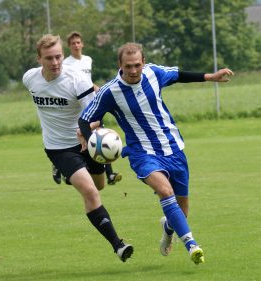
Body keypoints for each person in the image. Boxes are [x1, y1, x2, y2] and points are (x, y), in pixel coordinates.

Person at [78, 42, 234, 264]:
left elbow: (179, 75)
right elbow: (85, 118)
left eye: (137, 65)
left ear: (143, 62)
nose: (133, 71)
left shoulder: (153, 72)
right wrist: (89, 139)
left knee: (182, 209)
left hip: (173, 148)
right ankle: (192, 245)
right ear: (119, 65)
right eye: (128, 66)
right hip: (142, 153)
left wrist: (211, 77)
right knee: (164, 190)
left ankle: (168, 227)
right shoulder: (110, 91)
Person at [22, 34, 133, 262]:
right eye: (49, 58)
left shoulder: (76, 81)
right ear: (38, 59)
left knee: (99, 186)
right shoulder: (30, 79)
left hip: (85, 143)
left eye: (58, 57)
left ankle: (68, 174)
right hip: (58, 148)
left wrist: (86, 130)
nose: (55, 63)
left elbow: (95, 114)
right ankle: (119, 245)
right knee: (90, 192)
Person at [52, 31, 122, 186]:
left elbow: (87, 81)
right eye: (73, 43)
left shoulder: (88, 60)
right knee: (87, 136)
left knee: (100, 133)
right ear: (69, 47)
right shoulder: (67, 63)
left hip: (88, 100)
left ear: (82, 44)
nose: (76, 45)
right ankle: (61, 166)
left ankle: (109, 174)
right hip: (75, 104)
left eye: (78, 42)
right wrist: (97, 89)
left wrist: (97, 90)